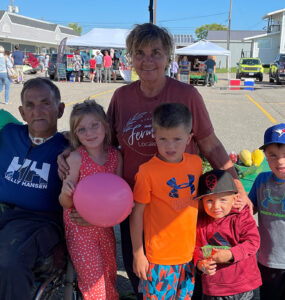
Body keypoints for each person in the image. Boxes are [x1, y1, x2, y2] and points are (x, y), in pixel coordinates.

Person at [59, 23, 249, 299]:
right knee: (143, 278)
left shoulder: (187, 95)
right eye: (139, 53)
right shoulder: (122, 97)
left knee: (183, 279)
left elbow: (210, 144)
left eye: (156, 52)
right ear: (131, 58)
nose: (147, 60)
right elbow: (102, 140)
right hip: (134, 204)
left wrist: (237, 185)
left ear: (168, 57)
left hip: (178, 206)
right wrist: (68, 149)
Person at [0, 77, 67, 300]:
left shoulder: (70, 148)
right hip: (5, 213)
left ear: (60, 109)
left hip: (42, 222)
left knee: (9, 260)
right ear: (21, 112)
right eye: (30, 105)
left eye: (45, 103)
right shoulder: (8, 134)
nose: (37, 110)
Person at [130, 102, 202, 299]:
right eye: (163, 139)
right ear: (154, 136)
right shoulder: (147, 172)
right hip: (158, 259)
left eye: (177, 139)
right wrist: (138, 254)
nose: (170, 146)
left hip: (188, 256)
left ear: (189, 138)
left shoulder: (196, 164)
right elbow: (137, 214)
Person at [59, 100, 122, 299]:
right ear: (75, 134)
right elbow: (66, 204)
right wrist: (66, 194)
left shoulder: (115, 156)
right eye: (82, 129)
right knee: (93, 284)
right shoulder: (76, 158)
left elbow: (119, 197)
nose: (90, 132)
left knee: (109, 275)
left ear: (105, 125)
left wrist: (105, 219)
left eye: (94, 125)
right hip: (80, 230)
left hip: (105, 228)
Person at [194, 170, 261, 299]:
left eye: (223, 200)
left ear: (235, 199)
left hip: (243, 286)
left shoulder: (241, 216)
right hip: (213, 289)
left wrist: (230, 254)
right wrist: (200, 264)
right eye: (209, 201)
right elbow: (196, 249)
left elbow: (253, 242)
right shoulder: (201, 222)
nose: (216, 206)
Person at [248, 123, 285, 300]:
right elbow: (249, 208)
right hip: (267, 261)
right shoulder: (262, 180)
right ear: (265, 157)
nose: (280, 161)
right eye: (273, 155)